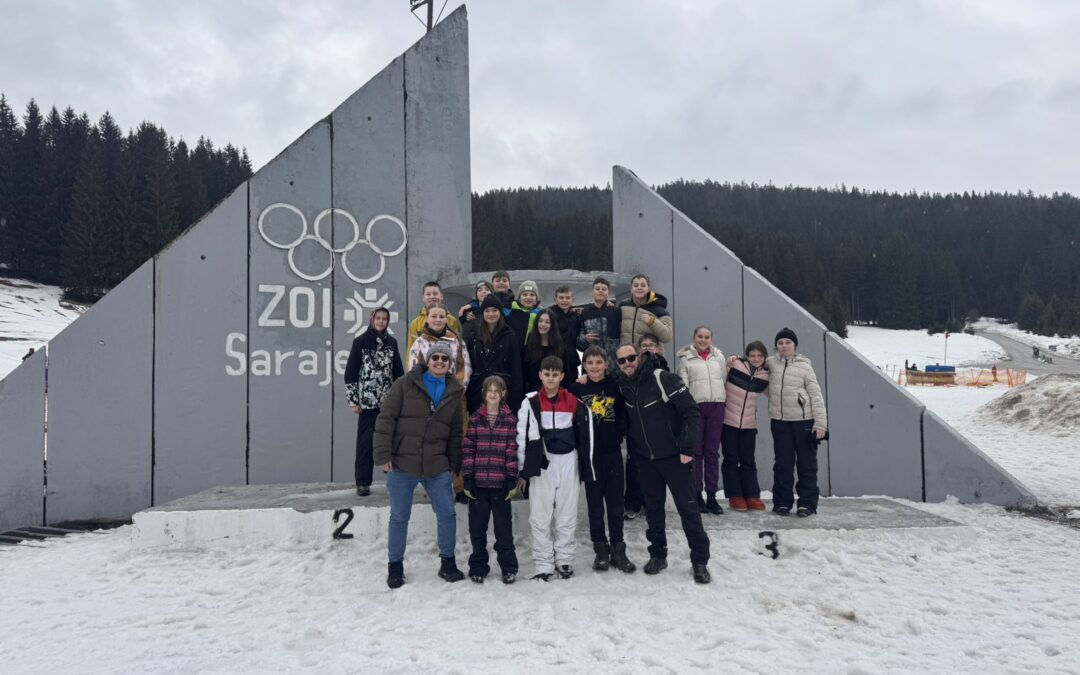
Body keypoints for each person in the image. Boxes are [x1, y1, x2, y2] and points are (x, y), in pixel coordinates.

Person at [373, 342, 466, 588]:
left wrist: (454, 463)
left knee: (447, 513)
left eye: (444, 359)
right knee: (399, 516)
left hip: (437, 464)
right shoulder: (404, 384)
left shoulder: (454, 391)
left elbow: (456, 431)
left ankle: (447, 563)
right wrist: (383, 455)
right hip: (403, 462)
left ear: (449, 364)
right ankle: (395, 566)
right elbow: (385, 419)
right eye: (435, 357)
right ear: (427, 360)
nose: (439, 362)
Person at [615, 343, 710, 583]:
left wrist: (687, 447)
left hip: (675, 457)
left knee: (688, 509)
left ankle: (699, 561)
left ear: (640, 356)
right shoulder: (622, 386)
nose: (627, 363)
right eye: (622, 360)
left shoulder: (663, 378)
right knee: (654, 511)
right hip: (646, 461)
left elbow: (691, 411)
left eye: (631, 358)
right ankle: (658, 555)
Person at [516, 355, 593, 581]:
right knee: (540, 516)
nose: (551, 378)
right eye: (547, 374)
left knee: (566, 514)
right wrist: (523, 470)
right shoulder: (529, 402)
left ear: (562, 376)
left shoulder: (574, 402)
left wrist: (585, 469)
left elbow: (585, 436)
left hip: (568, 461)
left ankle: (565, 560)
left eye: (555, 375)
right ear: (540, 375)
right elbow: (521, 437)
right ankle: (543, 564)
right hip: (542, 463)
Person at [570, 345, 636, 574]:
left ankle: (618, 547)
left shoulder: (614, 386)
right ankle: (600, 548)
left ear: (606, 364)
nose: (594, 367)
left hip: (612, 454)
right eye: (590, 363)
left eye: (599, 362)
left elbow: (623, 416)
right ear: (584, 365)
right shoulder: (577, 389)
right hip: (590, 456)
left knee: (616, 504)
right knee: (595, 505)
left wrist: (619, 434)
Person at [461, 375, 520, 585]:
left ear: (503, 394)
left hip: (500, 484)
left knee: (504, 531)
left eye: (497, 390)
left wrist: (511, 478)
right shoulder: (475, 418)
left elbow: (511, 450)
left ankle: (508, 567)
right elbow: (469, 449)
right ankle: (478, 566)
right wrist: (468, 477)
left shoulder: (510, 420)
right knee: (477, 530)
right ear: (484, 393)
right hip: (479, 484)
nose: (493, 394)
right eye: (490, 390)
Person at [343, 307, 405, 497]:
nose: (381, 321)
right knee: (365, 443)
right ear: (372, 319)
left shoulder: (391, 343)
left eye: (384, 319)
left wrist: (401, 398)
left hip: (387, 402)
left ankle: (394, 479)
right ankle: (363, 482)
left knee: (391, 440)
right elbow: (351, 373)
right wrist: (354, 401)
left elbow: (398, 373)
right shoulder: (360, 342)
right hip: (367, 402)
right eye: (378, 318)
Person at [768, 328, 827, 518]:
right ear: (776, 346)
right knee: (782, 465)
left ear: (795, 345)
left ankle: (807, 504)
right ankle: (782, 503)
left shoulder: (805, 366)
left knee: (806, 464)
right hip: (780, 422)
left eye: (788, 342)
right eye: (780, 343)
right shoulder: (770, 363)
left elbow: (816, 395)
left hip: (804, 422)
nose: (784, 346)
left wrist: (820, 425)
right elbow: (753, 363)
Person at [676, 326, 727, 515]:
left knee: (712, 453)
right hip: (696, 408)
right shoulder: (685, 359)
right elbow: (683, 385)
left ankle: (712, 496)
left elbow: (723, 378)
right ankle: (697, 495)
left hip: (716, 406)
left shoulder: (719, 357)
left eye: (706, 337)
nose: (703, 340)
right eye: (700, 336)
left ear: (711, 339)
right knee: (696, 453)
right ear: (694, 338)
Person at [722, 341, 770, 511]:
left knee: (748, 460)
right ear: (746, 356)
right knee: (731, 459)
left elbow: (774, 393)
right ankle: (735, 496)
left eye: (759, 356)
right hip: (728, 421)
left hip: (749, 425)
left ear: (765, 357)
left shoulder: (765, 375)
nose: (755, 358)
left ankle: (752, 495)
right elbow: (721, 376)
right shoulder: (735, 365)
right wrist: (730, 361)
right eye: (752, 355)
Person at [465, 295, 523, 413]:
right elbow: (468, 364)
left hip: (501, 391)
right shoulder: (474, 335)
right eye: (487, 311)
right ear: (482, 313)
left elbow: (516, 368)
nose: (491, 314)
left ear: (500, 312)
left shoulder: (509, 335)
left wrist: (516, 399)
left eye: (494, 310)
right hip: (477, 391)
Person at [407, 304, 471, 389]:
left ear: (446, 319)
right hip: (425, 394)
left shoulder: (457, 342)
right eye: (434, 316)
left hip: (452, 394)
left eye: (442, 317)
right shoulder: (419, 343)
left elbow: (465, 369)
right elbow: (413, 371)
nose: (438, 320)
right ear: (427, 318)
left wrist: (456, 392)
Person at [577, 276, 622, 379]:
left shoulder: (616, 312)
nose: (600, 291)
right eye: (597, 289)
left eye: (604, 289)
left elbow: (623, 335)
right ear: (592, 292)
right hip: (592, 365)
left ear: (608, 292)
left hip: (613, 366)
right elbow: (579, 343)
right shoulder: (585, 313)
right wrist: (585, 339)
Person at [523, 309, 573, 393]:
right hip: (533, 393)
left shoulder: (560, 347)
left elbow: (566, 375)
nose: (543, 324)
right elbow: (525, 374)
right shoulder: (529, 346)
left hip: (555, 392)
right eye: (540, 321)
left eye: (547, 322)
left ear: (553, 325)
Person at [406, 281, 461, 355]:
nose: (432, 297)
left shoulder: (452, 320)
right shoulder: (415, 323)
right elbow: (410, 351)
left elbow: (458, 346)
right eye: (428, 294)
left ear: (441, 296)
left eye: (435, 294)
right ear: (423, 298)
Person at [620, 274, 673, 349]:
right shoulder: (623, 306)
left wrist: (652, 322)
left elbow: (667, 337)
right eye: (636, 285)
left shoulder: (660, 310)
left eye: (643, 285)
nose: (639, 288)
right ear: (631, 289)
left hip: (650, 355)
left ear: (648, 289)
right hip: (629, 355)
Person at [549, 286, 581, 379]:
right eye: (561, 297)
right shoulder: (550, 314)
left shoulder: (575, 316)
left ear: (572, 300)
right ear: (555, 300)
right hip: (554, 358)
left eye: (567, 298)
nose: (564, 300)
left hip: (571, 359)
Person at [505, 280, 543, 344]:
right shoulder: (510, 308)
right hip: (513, 346)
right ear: (519, 298)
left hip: (531, 347)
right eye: (525, 294)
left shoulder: (540, 313)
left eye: (532, 295)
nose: (528, 297)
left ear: (536, 299)